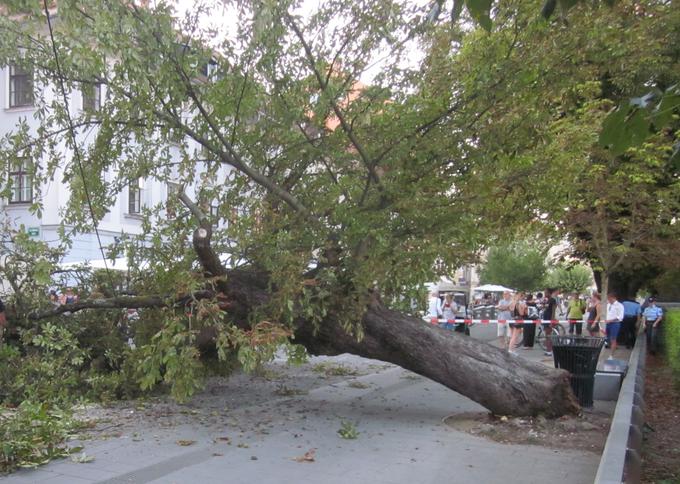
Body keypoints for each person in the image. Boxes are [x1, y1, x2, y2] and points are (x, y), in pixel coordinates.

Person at [605, 292, 624, 357]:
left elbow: (620, 317)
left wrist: (611, 320)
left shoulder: (619, 305)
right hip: (607, 323)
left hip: (615, 324)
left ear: (614, 298)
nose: (608, 300)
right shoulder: (608, 305)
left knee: (613, 339)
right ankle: (608, 348)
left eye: (609, 299)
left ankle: (612, 355)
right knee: (606, 337)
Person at [542, 288, 558, 356]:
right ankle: (548, 350)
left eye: (546, 292)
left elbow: (553, 311)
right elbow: (545, 309)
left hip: (549, 320)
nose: (545, 294)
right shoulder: (547, 300)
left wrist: (552, 320)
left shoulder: (553, 300)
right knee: (547, 335)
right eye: (544, 292)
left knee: (548, 335)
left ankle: (549, 351)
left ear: (549, 293)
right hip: (545, 319)